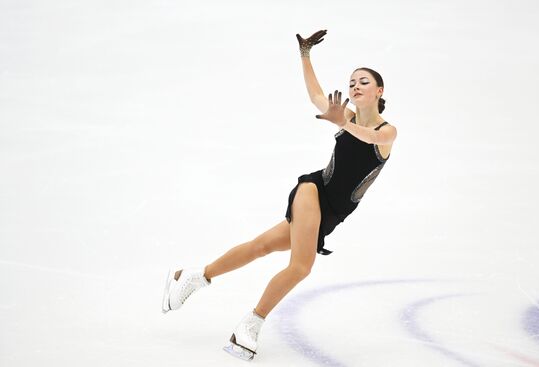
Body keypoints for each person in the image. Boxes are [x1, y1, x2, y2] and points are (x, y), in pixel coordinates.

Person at [161, 29, 398, 361]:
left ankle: (194, 277)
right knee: (301, 267)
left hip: (331, 214)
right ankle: (251, 324)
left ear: (379, 91)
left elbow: (366, 137)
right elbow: (317, 96)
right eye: (351, 82)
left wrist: (341, 123)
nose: (355, 86)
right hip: (312, 192)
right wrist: (305, 54)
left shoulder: (386, 132)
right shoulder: (345, 118)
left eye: (363, 81)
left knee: (261, 246)